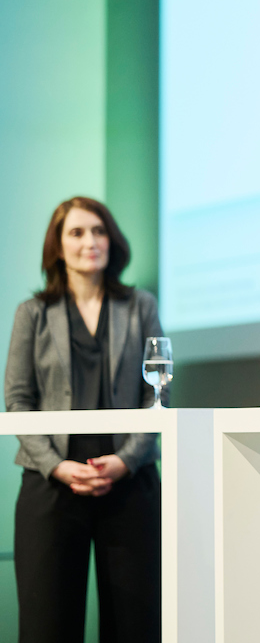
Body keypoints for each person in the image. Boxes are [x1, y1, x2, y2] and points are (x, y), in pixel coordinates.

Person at [4, 196, 162, 642]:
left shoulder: (139, 306)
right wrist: (55, 464)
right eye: (76, 232)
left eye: (98, 230)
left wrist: (127, 460)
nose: (90, 241)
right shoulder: (32, 314)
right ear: (57, 246)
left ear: (112, 240)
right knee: (46, 627)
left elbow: (158, 395)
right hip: (50, 485)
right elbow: (17, 401)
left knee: (138, 627)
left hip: (130, 485)